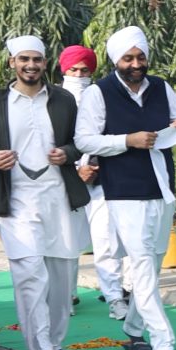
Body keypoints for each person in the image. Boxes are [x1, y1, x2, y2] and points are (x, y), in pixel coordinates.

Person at [74, 26, 176, 350]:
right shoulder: (99, 93)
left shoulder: (159, 87)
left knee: (152, 264)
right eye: (128, 58)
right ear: (116, 60)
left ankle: (132, 326)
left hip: (161, 187)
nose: (136, 63)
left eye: (140, 57)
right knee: (142, 264)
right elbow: (84, 140)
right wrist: (127, 140)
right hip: (123, 191)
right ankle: (164, 344)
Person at [0, 35, 91, 350]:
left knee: (60, 275)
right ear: (12, 62)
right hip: (18, 200)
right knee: (29, 274)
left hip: (59, 195)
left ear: (45, 63)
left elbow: (80, 141)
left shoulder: (64, 99)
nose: (30, 65)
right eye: (23, 59)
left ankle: (55, 344)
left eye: (37, 60)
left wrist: (67, 154)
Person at [58, 44, 125, 321]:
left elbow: (110, 134)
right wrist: (76, 169)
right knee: (65, 243)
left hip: (99, 178)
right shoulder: (53, 101)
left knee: (106, 240)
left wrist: (93, 165)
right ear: (64, 70)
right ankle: (64, 296)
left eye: (85, 70)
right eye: (74, 70)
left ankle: (114, 298)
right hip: (64, 180)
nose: (79, 75)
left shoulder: (103, 96)